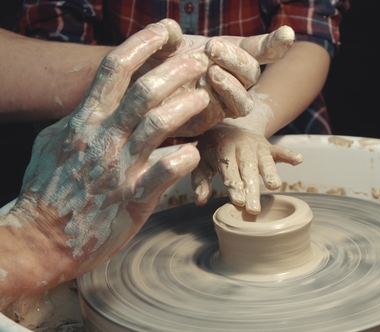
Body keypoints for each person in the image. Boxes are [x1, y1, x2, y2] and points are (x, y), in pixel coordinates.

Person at [0, 19, 303, 316]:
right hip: (99, 144)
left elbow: (306, 41)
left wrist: (245, 118)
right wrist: (39, 236)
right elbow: (55, 26)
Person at [7, 0, 350, 214]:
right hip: (128, 124)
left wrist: (250, 118)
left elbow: (307, 38)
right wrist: (142, 74)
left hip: (272, 111)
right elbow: (55, 39)